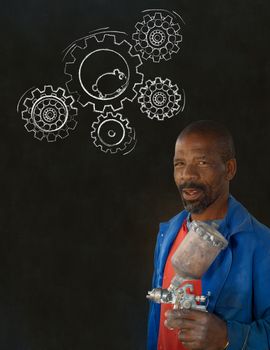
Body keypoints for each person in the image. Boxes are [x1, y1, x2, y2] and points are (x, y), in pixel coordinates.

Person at [147, 120, 270, 350]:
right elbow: (158, 325)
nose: (187, 175)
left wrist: (226, 337)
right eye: (179, 164)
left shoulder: (262, 244)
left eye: (202, 162)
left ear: (229, 169)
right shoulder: (168, 234)